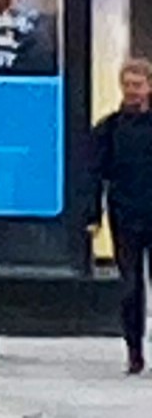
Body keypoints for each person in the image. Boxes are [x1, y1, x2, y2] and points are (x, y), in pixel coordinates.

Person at [89, 59, 152, 373]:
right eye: (127, 85)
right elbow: (94, 174)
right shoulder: (108, 128)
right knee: (130, 287)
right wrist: (92, 215)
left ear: (149, 88)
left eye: (137, 85)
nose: (132, 92)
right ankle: (134, 349)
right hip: (124, 214)